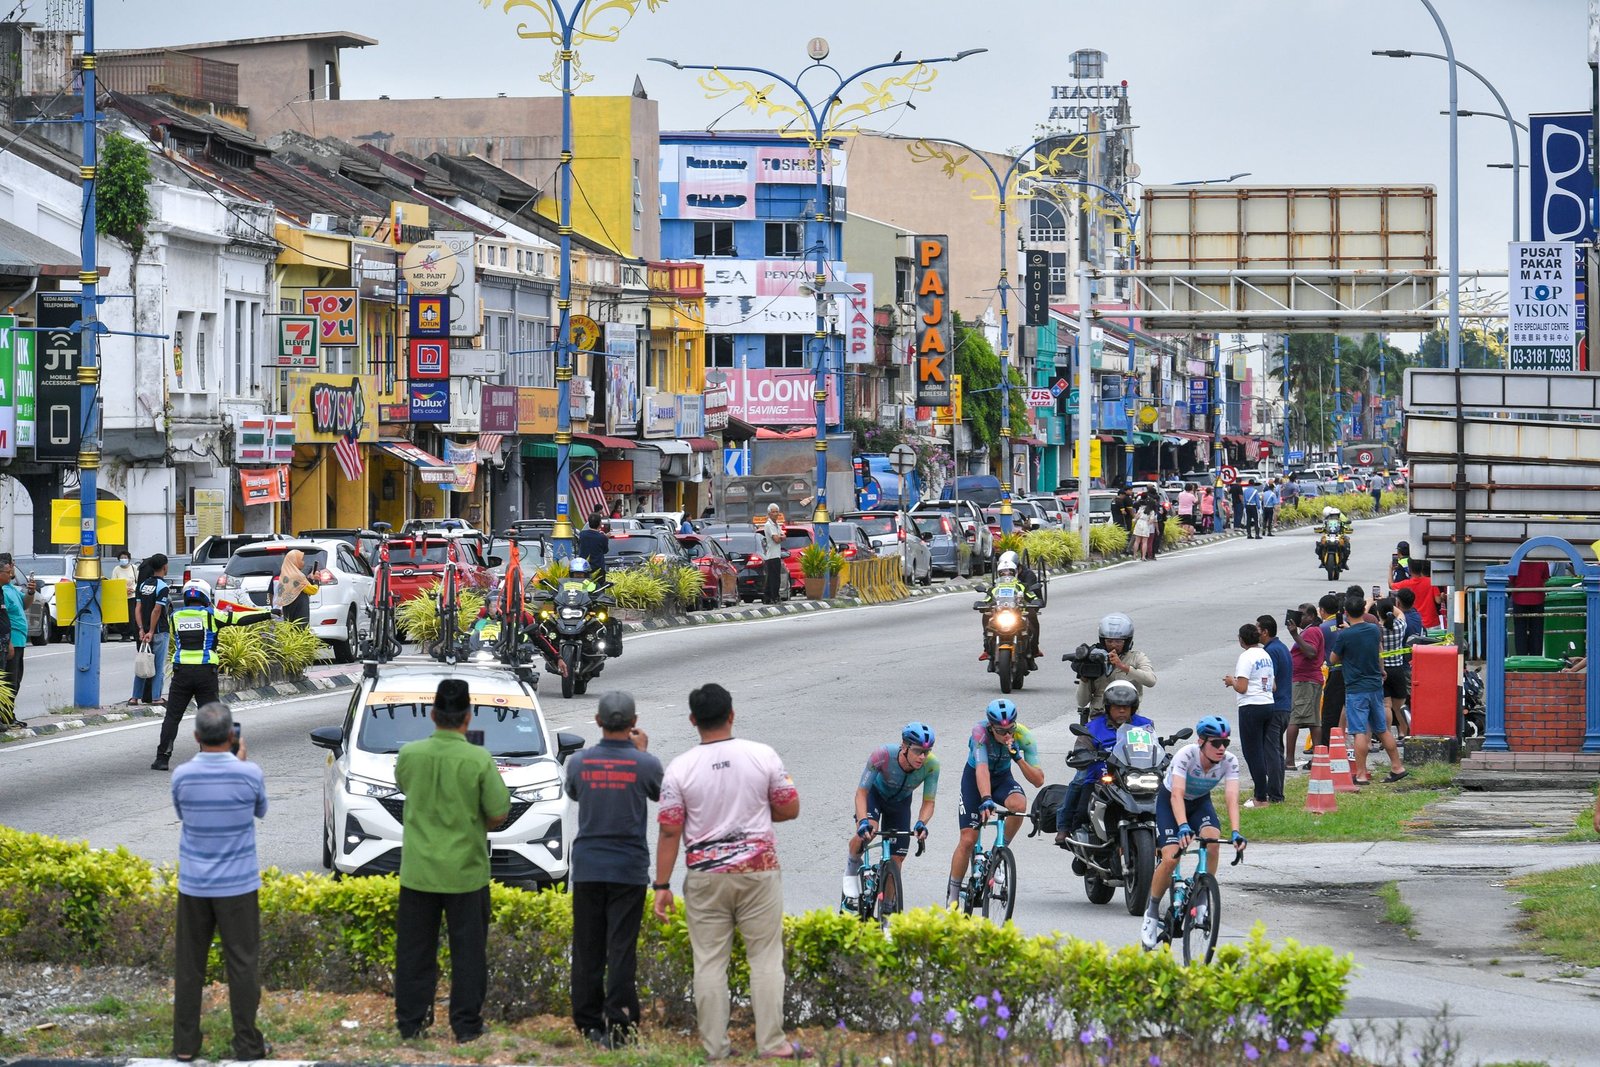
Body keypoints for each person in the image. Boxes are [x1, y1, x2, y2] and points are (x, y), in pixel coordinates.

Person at [653, 683, 806, 1062]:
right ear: (732, 714)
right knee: (765, 958)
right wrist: (756, 812)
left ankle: (715, 1048)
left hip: (705, 877)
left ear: (693, 720)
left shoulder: (679, 769)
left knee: (709, 962)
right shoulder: (762, 755)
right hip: (759, 872)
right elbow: (790, 808)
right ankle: (772, 1043)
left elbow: (670, 829)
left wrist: (661, 885)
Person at [393, 678, 510, 1043]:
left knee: (414, 952)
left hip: (418, 872)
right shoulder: (478, 759)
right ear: (468, 717)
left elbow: (404, 786)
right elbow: (498, 811)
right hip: (465, 873)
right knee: (468, 955)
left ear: (432, 715)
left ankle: (412, 1023)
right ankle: (466, 1026)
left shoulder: (410, 754)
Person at [170, 701, 268, 1063]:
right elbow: (260, 810)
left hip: (194, 884)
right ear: (231, 735)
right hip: (238, 885)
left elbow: (183, 813)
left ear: (197, 736)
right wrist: (239, 763)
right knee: (242, 965)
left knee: (189, 965)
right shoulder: (249, 773)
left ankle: (185, 1044)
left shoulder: (182, 775)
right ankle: (247, 1044)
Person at [564, 691, 663, 1049]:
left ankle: (588, 1023)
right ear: (634, 723)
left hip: (589, 866)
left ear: (597, 721)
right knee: (621, 948)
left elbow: (575, 793)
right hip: (628, 868)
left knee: (587, 947)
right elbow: (659, 794)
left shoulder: (579, 762)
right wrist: (642, 752)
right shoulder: (645, 764)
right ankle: (619, 1025)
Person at [1141, 716, 1246, 950]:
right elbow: (1176, 794)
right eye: (1216, 743)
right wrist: (1183, 826)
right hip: (1170, 803)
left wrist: (1236, 832)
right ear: (1201, 742)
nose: (1221, 748)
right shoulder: (1186, 755)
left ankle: (1202, 896)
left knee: (1213, 841)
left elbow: (1232, 798)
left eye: (1225, 743)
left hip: (1199, 803)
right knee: (1170, 858)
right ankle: (1151, 913)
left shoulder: (1229, 761)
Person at [150, 581, 271, 772]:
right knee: (210, 717)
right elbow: (239, 618)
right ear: (206, 596)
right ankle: (210, 757)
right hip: (206, 672)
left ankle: (162, 759)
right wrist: (267, 613)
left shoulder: (174, 616)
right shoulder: (212, 614)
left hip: (181, 672)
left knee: (172, 716)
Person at [946, 698, 1043, 906]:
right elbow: (981, 768)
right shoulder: (980, 733)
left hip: (1002, 778)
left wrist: (1018, 758)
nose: (1007, 735)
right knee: (968, 839)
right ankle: (952, 896)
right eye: (1001, 731)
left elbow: (1038, 780)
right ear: (991, 726)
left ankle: (997, 855)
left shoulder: (1023, 736)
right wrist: (986, 798)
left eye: (1010, 729)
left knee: (1019, 805)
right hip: (975, 779)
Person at [843, 722, 939, 909]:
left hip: (900, 804)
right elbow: (861, 793)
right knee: (869, 831)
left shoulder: (932, 765)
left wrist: (921, 823)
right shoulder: (883, 755)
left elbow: (929, 802)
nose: (922, 757)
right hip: (875, 796)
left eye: (926, 752)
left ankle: (887, 908)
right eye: (918, 751)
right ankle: (851, 868)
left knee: (897, 859)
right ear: (904, 746)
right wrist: (862, 821)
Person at [1054, 680, 1153, 847]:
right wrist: (1084, 755)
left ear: (1133, 708)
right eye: (1117, 707)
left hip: (1135, 779)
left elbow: (1154, 747)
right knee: (1082, 813)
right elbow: (1081, 748)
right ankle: (1068, 831)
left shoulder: (1145, 725)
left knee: (1165, 800)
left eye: (1126, 707)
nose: (1122, 711)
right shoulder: (1092, 728)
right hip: (1102, 780)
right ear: (1108, 707)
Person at [1330, 594, 1408, 785]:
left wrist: (1344, 637)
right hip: (1375, 685)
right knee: (1382, 729)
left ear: (1346, 613)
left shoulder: (1345, 635)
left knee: (1359, 731)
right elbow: (1379, 651)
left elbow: (1333, 659)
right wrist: (1381, 670)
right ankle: (1397, 767)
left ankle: (1361, 774)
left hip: (1356, 688)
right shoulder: (1374, 629)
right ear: (1363, 610)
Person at [1226, 622, 1279, 808]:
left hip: (1251, 705)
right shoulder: (1265, 655)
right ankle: (1264, 790)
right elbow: (1273, 686)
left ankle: (1260, 797)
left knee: (1252, 752)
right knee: (1262, 749)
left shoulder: (1246, 657)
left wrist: (1231, 681)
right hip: (1268, 703)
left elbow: (1242, 687)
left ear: (1241, 640)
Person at [1073, 611, 1158, 717]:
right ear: (1103, 641)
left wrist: (1123, 667)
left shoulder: (1137, 657)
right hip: (1099, 717)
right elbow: (1082, 702)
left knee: (1148, 725)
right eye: (1109, 641)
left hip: (1128, 717)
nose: (1113, 645)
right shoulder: (1094, 659)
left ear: (1127, 641)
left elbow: (1151, 681)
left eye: (1118, 641)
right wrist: (1084, 677)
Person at [975, 551, 1042, 664]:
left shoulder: (1022, 586)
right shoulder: (995, 588)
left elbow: (1032, 596)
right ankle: (987, 648)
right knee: (986, 616)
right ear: (999, 574)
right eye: (1003, 572)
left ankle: (1033, 648)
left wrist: (1036, 601)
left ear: (1015, 572)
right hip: (1000, 613)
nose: (1006, 575)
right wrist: (981, 604)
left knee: (1032, 618)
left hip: (1018, 612)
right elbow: (987, 599)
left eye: (1009, 572)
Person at [1255, 614, 1293, 801]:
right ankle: (1276, 791)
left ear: (1265, 632)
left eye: (1257, 629)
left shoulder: (1270, 652)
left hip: (1275, 706)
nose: (1255, 633)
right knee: (1277, 751)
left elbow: (1271, 681)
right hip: (1284, 706)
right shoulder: (1282, 647)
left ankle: (1275, 794)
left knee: (1271, 752)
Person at [1285, 603, 1326, 765]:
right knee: (1313, 721)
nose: (1298, 617)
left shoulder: (1311, 631)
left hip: (1305, 681)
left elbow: (1311, 652)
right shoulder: (1309, 631)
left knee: (1295, 719)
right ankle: (1318, 758)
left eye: (1302, 614)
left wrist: (1295, 635)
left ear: (1311, 616)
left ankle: (1289, 760)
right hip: (1308, 680)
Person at [131, 554, 171, 707]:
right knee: (158, 666)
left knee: (143, 662)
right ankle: (156, 698)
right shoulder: (162, 587)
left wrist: (141, 629)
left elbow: (138, 608)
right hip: (159, 631)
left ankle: (134, 697)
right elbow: (157, 610)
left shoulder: (143, 585)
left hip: (144, 631)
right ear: (164, 567)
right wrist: (152, 631)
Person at [0, 554, 35, 711]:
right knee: (9, 681)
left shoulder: (11, 589)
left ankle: (9, 714)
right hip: (10, 640)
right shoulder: (4, 592)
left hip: (19, 640)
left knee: (15, 680)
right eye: (9, 568)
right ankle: (6, 716)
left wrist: (31, 592)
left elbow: (24, 604)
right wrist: (9, 642)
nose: (12, 572)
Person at [1377, 597, 1413, 739]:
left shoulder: (1376, 629)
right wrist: (1390, 605)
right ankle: (1403, 733)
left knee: (1386, 705)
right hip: (1398, 670)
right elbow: (1400, 614)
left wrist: (1372, 602)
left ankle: (1386, 735)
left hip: (1383, 670)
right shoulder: (1400, 626)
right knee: (1400, 707)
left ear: (1378, 613)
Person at [1509, 557, 1550, 657]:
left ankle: (1521, 657)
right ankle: (1536, 658)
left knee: (1520, 631)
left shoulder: (1516, 561)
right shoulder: (1542, 561)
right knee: (1537, 631)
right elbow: (1545, 577)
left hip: (1519, 598)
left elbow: (1510, 579)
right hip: (1537, 598)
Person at [272, 548, 314, 629]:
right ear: (295, 561)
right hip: (299, 612)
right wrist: (316, 581)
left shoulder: (281, 575)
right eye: (301, 560)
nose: (304, 562)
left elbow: (271, 593)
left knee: (289, 630)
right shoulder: (298, 576)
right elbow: (312, 590)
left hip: (284, 610)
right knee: (299, 630)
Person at [759, 504, 786, 605]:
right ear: (769, 514)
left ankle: (768, 597)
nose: (775, 514)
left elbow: (783, 535)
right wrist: (781, 537)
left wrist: (781, 537)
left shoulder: (777, 525)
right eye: (773, 512)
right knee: (774, 578)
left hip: (776, 554)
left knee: (773, 577)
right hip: (772, 556)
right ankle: (774, 597)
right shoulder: (769, 525)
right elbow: (777, 539)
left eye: (776, 512)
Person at [111, 551, 139, 639]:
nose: (123, 559)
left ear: (129, 559)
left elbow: (138, 581)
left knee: (132, 616)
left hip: (132, 596)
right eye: (121, 558)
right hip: (121, 597)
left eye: (125, 557)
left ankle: (132, 633)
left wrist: (133, 589)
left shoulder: (134, 568)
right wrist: (124, 590)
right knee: (121, 617)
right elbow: (114, 583)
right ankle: (124, 634)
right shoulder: (116, 569)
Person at [577, 514, 610, 582]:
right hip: (598, 568)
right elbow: (605, 551)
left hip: (583, 567)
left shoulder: (582, 534)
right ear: (600, 524)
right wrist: (606, 538)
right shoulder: (602, 537)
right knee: (599, 587)